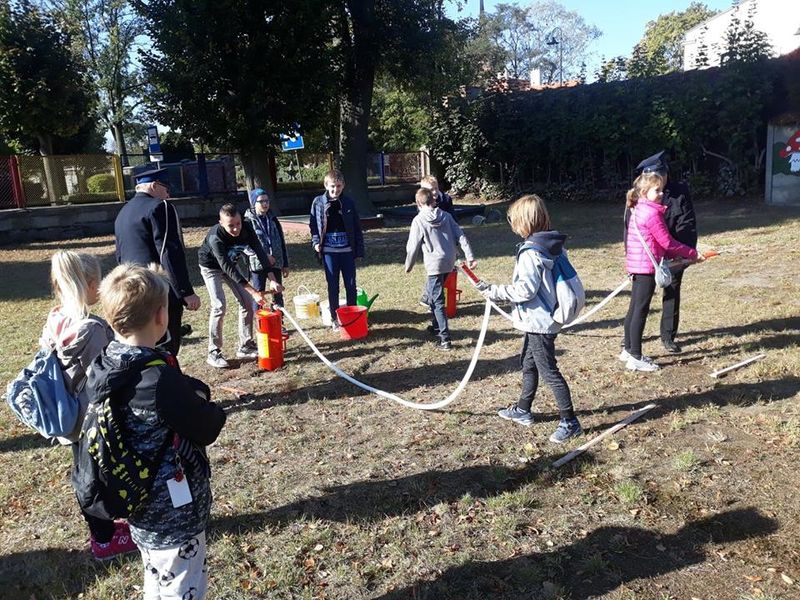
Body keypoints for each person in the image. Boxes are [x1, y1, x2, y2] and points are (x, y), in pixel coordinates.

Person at [88, 263, 226, 599]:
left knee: (158, 573)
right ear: (162, 317)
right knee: (182, 583)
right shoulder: (158, 379)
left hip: (138, 502)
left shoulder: (108, 363)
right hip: (173, 513)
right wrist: (208, 404)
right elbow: (206, 425)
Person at [40, 250, 136, 561]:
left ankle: (104, 527)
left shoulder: (56, 316)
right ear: (89, 284)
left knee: (84, 471)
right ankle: (104, 540)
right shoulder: (92, 328)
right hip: (89, 416)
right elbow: (108, 371)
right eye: (98, 284)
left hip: (66, 411)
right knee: (93, 477)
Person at [477, 195, 582, 443]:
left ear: (524, 222)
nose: (512, 225)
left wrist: (494, 291)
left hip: (540, 322)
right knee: (529, 363)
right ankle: (523, 409)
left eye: (514, 220)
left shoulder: (530, 253)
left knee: (548, 371)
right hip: (541, 319)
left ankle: (570, 421)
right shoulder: (552, 244)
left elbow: (525, 290)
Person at [620, 171, 702, 372]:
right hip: (645, 267)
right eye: (657, 190)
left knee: (634, 308)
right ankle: (636, 356)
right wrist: (692, 253)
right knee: (640, 310)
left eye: (661, 189)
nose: (661, 193)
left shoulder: (638, 208)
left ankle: (629, 349)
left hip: (638, 264)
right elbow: (667, 242)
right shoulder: (652, 213)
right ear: (645, 191)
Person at [114, 168, 200, 357]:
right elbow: (169, 252)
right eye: (166, 188)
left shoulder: (123, 211)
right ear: (154, 186)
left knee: (142, 345)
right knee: (167, 345)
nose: (168, 194)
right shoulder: (160, 207)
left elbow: (119, 253)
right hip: (158, 288)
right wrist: (185, 291)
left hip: (131, 288)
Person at [198, 203, 282, 368]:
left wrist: (272, 278)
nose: (236, 229)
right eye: (231, 225)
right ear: (221, 223)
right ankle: (213, 352)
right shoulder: (216, 237)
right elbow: (227, 268)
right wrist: (253, 291)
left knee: (247, 304)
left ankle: (245, 345)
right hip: (212, 267)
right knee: (219, 305)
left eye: (238, 224)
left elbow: (260, 252)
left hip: (232, 264)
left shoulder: (247, 227)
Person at [634, 151, 698, 354]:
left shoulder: (679, 191)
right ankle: (632, 340)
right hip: (647, 253)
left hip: (674, 249)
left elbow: (686, 222)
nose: (660, 181)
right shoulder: (641, 192)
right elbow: (631, 225)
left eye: (663, 175)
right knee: (641, 298)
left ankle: (668, 336)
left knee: (672, 290)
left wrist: (684, 252)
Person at [404, 187, 476, 350]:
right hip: (449, 262)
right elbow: (461, 236)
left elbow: (412, 246)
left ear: (418, 203)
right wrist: (470, 256)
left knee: (437, 301)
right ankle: (436, 326)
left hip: (434, 264)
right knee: (432, 293)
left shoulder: (418, 220)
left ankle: (445, 339)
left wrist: (408, 265)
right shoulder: (447, 216)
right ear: (433, 201)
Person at [309, 170, 364, 329]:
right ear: (326, 185)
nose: (336, 189)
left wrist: (359, 250)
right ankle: (334, 317)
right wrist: (315, 243)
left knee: (351, 284)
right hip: (329, 252)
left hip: (347, 251)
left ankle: (353, 315)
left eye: (339, 186)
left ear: (343, 185)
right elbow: (313, 226)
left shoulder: (348, 202)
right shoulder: (318, 202)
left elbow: (356, 227)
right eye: (333, 186)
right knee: (333, 285)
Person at [243, 188, 289, 312]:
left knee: (277, 293)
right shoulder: (247, 222)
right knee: (259, 294)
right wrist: (264, 256)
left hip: (275, 262)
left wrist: (285, 263)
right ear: (254, 203)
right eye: (261, 201)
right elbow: (245, 246)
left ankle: (279, 322)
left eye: (267, 201)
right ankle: (261, 324)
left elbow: (281, 241)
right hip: (257, 265)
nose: (265, 204)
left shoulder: (273, 219)